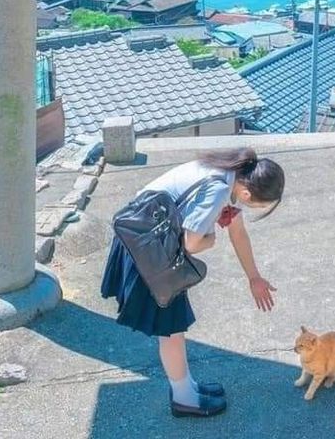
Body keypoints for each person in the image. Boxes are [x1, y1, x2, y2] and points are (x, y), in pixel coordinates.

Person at [100, 147, 285, 418]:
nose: (251, 208)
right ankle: (184, 399)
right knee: (171, 330)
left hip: (145, 238)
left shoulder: (230, 172)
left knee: (173, 328)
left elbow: (238, 233)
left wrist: (254, 278)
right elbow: (192, 243)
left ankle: (188, 387)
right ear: (247, 193)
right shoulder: (220, 191)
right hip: (148, 251)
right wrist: (211, 237)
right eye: (258, 205)